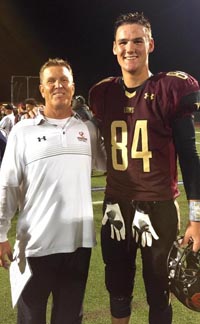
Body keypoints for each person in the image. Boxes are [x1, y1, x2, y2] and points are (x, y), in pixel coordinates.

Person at [89, 12, 200, 324]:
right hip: (116, 206)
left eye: (138, 40)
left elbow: (189, 158)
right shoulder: (104, 93)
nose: (130, 47)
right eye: (123, 41)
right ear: (114, 47)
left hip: (159, 207)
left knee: (159, 291)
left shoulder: (169, 88)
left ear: (151, 44)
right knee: (117, 288)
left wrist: (197, 219)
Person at [0, 58, 106, 324]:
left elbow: (105, 164)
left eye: (63, 80)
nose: (58, 85)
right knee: (31, 318)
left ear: (72, 88)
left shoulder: (87, 129)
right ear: (42, 89)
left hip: (78, 244)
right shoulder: (22, 132)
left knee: (70, 318)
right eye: (51, 81)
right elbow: (8, 184)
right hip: (34, 244)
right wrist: (0, 232)